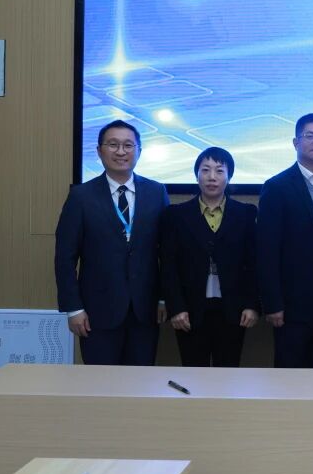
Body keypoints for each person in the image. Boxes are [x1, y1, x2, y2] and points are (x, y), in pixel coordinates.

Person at [55, 120, 169, 366]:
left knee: (140, 381)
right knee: (100, 382)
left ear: (139, 151)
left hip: (145, 311)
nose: (121, 151)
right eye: (113, 145)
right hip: (96, 312)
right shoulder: (81, 196)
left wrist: (163, 298)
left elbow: (167, 252)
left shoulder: (156, 192)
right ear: (99, 151)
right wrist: (73, 308)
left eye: (128, 145)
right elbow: (65, 257)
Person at [257, 113, 313, 368]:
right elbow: (266, 251)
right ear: (296, 142)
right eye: (310, 136)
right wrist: (273, 304)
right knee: (290, 376)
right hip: (292, 307)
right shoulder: (277, 187)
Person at [160, 147, 259, 367]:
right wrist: (176, 307)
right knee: (193, 371)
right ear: (197, 175)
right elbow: (169, 266)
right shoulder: (176, 215)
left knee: (228, 370)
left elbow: (253, 264)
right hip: (189, 311)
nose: (212, 177)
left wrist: (252, 305)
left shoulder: (245, 213)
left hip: (233, 310)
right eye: (205, 170)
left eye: (219, 171)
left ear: (229, 176)